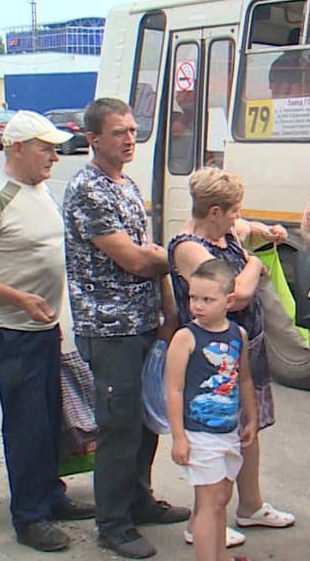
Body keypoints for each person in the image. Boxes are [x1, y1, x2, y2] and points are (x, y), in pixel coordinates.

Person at [0, 110, 96, 552]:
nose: (54, 155)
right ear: (16, 148)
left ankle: (50, 495)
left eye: (55, 148)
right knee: (26, 423)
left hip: (43, 325)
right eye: (44, 147)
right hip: (10, 329)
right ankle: (29, 516)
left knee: (49, 415)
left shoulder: (37, 190)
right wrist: (20, 299)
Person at [63, 98, 189, 559]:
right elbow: (137, 258)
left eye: (133, 130)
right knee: (119, 428)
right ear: (94, 139)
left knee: (146, 419)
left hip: (142, 323)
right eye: (119, 132)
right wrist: (173, 256)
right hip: (108, 327)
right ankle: (112, 524)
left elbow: (149, 257)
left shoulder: (126, 185)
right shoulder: (89, 191)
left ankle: (139, 501)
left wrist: (166, 311)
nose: (130, 139)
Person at [168, 168, 295, 548]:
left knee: (244, 429)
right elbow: (235, 294)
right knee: (211, 434)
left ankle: (250, 505)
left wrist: (269, 232)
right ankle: (203, 518)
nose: (238, 218)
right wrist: (255, 263)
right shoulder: (190, 247)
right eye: (233, 212)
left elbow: (250, 229)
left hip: (241, 345)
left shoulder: (226, 232)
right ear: (213, 212)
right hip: (209, 356)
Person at [166, 260, 257, 561]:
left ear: (229, 301)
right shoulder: (186, 338)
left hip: (228, 431)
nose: (198, 306)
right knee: (208, 503)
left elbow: (243, 379)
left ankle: (222, 556)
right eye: (194, 298)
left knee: (221, 499)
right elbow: (174, 389)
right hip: (198, 434)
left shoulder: (237, 334)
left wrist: (251, 418)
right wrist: (178, 436)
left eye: (208, 299)